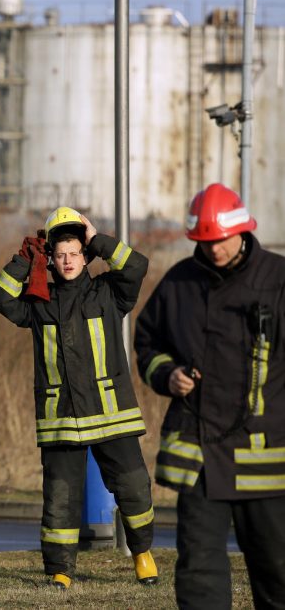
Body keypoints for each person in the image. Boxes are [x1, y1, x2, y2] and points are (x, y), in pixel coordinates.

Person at [0, 207, 158, 590]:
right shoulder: (38, 302)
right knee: (60, 498)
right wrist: (23, 260)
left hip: (112, 413)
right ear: (51, 259)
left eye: (74, 253)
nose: (67, 261)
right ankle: (60, 570)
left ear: (85, 256)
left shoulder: (109, 294)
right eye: (59, 254)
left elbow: (136, 266)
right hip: (61, 418)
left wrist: (98, 238)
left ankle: (143, 553)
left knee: (133, 487)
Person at [134, 183, 285, 609]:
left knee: (277, 570)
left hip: (267, 461)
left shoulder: (277, 280)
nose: (213, 249)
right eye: (204, 242)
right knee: (198, 572)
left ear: (241, 231)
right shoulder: (179, 283)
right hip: (198, 458)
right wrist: (168, 375)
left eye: (219, 241)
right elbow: (146, 344)